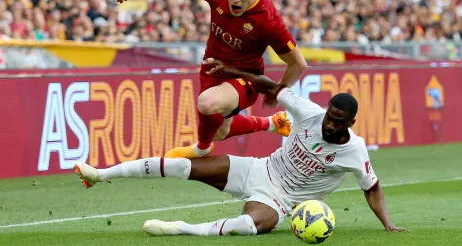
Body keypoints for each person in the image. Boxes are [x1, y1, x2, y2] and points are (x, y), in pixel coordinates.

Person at [74, 60, 404, 236]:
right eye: (330, 117)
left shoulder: (355, 150)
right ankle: (100, 174)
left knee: (251, 226)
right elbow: (270, 85)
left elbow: (372, 188)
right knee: (184, 166)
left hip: (281, 199)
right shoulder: (309, 112)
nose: (330, 125)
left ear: (351, 122)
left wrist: (387, 224)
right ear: (327, 110)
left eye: (339, 122)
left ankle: (180, 230)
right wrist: (233, 72)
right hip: (259, 169)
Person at [115, 0, 308, 159]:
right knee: (220, 133)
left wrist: (278, 92)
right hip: (212, 69)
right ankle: (271, 124)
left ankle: (201, 148)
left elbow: (298, 64)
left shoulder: (268, 20)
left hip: (245, 77)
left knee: (207, 103)